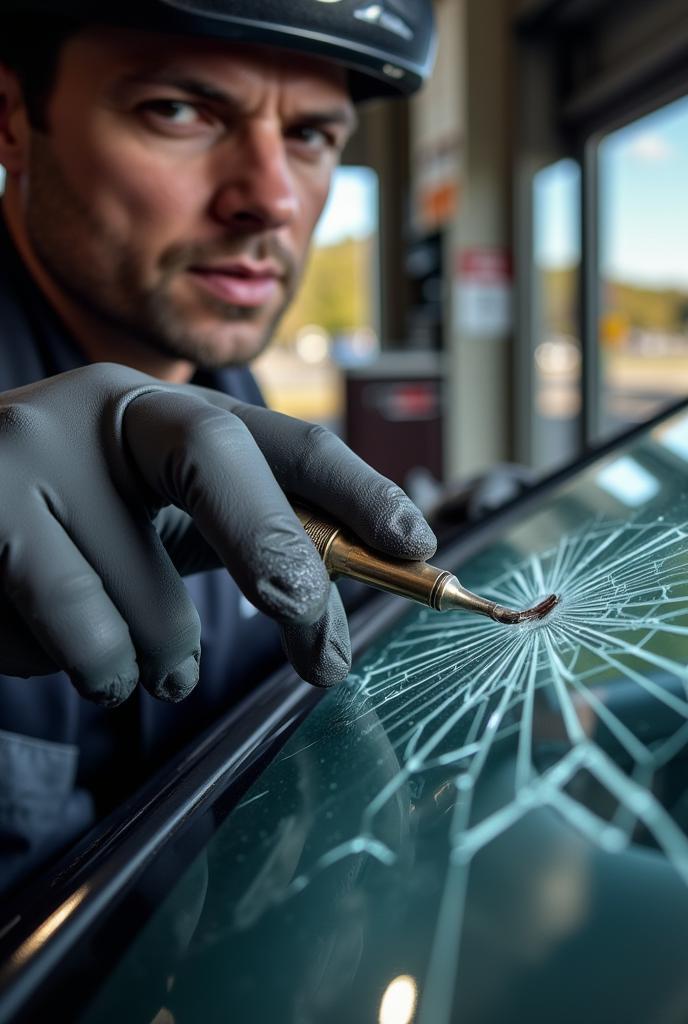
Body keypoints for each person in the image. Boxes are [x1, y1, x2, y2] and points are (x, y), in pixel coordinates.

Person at [0, 0, 436, 894]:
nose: (270, 199)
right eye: (179, 110)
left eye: (312, 133)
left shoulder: (228, 395)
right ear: (11, 120)